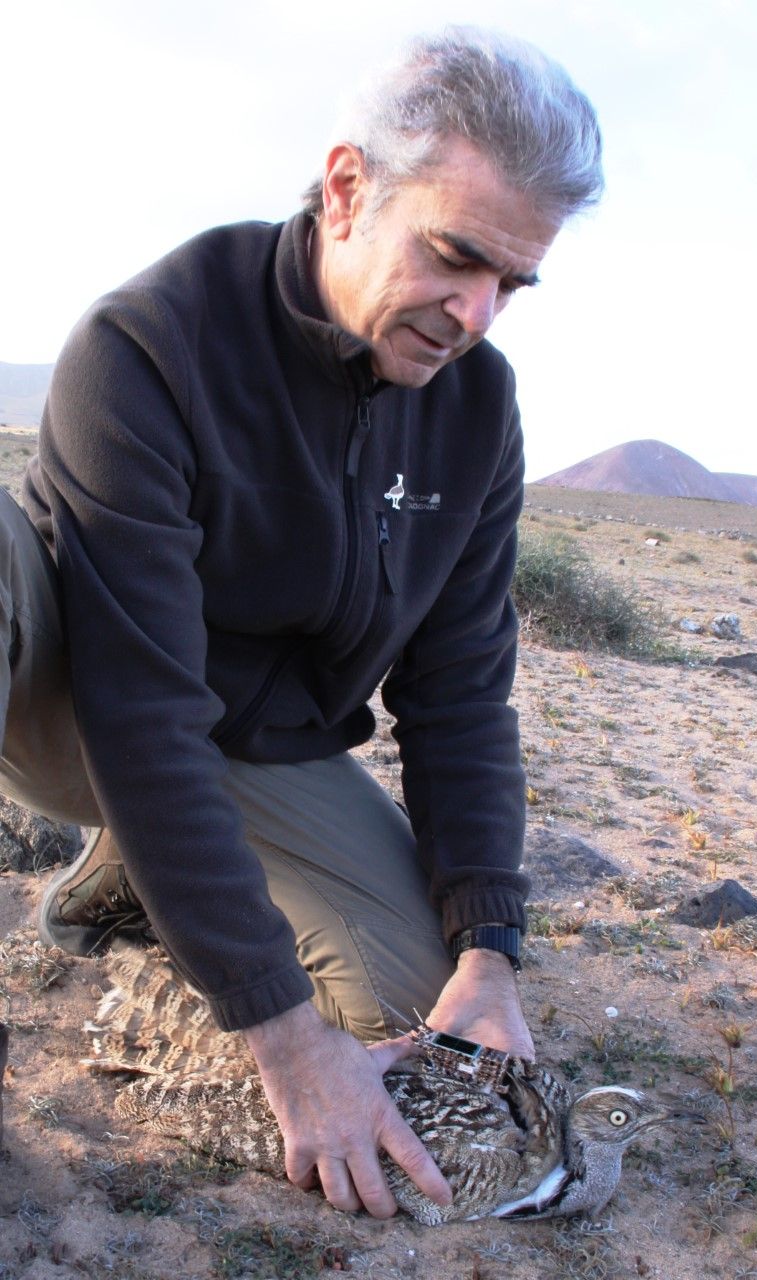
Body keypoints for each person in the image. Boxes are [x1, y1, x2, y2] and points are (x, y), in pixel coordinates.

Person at [0, 28, 602, 1218]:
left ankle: (129, 884)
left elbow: (460, 693)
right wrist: (282, 1039)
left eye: (509, 284)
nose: (475, 313)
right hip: (74, 693)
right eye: (453, 257)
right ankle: (187, 896)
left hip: (257, 747)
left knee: (426, 1032)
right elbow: (140, 707)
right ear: (345, 189)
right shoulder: (151, 344)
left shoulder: (476, 407)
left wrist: (487, 945)